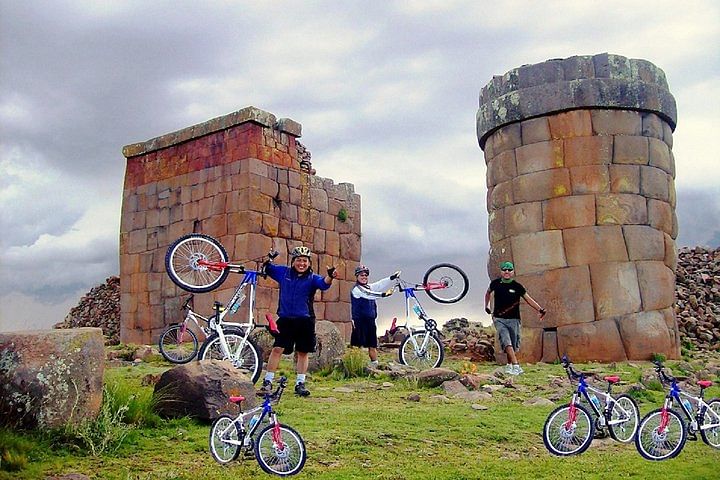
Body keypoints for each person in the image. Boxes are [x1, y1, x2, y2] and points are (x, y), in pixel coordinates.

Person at [260, 245, 337, 397]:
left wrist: (330, 276)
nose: (302, 264)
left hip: (305, 319)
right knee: (277, 349)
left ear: (309, 263)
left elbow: (324, 284)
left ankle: (300, 383)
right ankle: (268, 381)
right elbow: (268, 269)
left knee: (303, 352)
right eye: (298, 260)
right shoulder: (284, 273)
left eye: (305, 261)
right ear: (293, 261)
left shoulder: (312, 278)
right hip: (286, 319)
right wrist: (269, 258)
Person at [484, 261, 546, 375]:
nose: (507, 272)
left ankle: (509, 365)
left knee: (513, 342)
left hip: (514, 319)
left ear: (513, 271)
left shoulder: (517, 287)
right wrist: (486, 305)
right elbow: (488, 293)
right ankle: (516, 365)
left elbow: (528, 299)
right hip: (499, 318)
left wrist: (540, 309)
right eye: (504, 269)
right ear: (501, 271)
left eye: (509, 269)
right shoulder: (495, 284)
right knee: (506, 340)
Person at [350, 265, 398, 367]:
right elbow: (369, 294)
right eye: (361, 275)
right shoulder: (357, 289)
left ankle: (374, 364)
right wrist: (384, 295)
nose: (364, 277)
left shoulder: (369, 286)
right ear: (357, 276)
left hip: (370, 320)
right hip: (359, 321)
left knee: (372, 344)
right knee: (357, 345)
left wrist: (391, 278)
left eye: (366, 275)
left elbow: (380, 284)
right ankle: (353, 365)